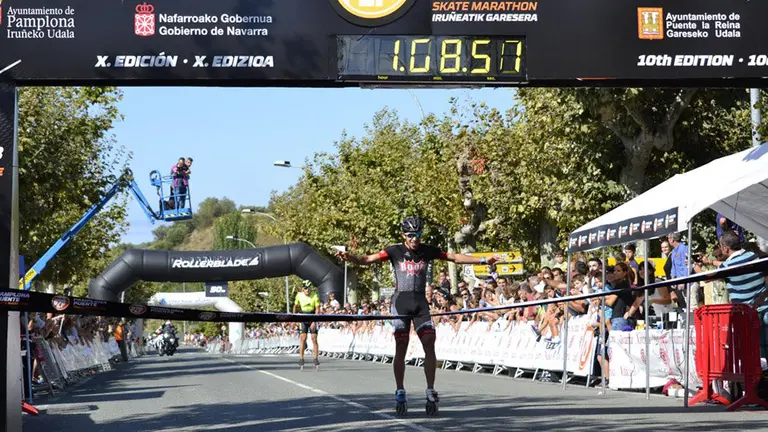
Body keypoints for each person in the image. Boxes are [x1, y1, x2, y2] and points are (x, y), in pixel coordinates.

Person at [334, 216, 498, 415]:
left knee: (429, 342)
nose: (415, 239)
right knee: (401, 346)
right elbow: (367, 260)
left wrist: (483, 259)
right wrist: (349, 257)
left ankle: (430, 389)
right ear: (403, 235)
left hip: (421, 303)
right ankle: (400, 390)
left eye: (418, 234)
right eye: (411, 235)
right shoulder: (394, 250)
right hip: (400, 303)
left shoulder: (427, 250)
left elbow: (454, 257)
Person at [293, 280, 321, 370]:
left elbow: (317, 309)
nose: (308, 291)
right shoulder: (299, 295)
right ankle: (301, 358)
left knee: (314, 338)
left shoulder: (315, 295)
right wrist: (294, 317)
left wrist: (314, 321)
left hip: (312, 316)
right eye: (306, 289)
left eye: (309, 289)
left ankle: (316, 358)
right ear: (303, 289)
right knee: (303, 338)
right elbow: (295, 306)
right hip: (302, 317)